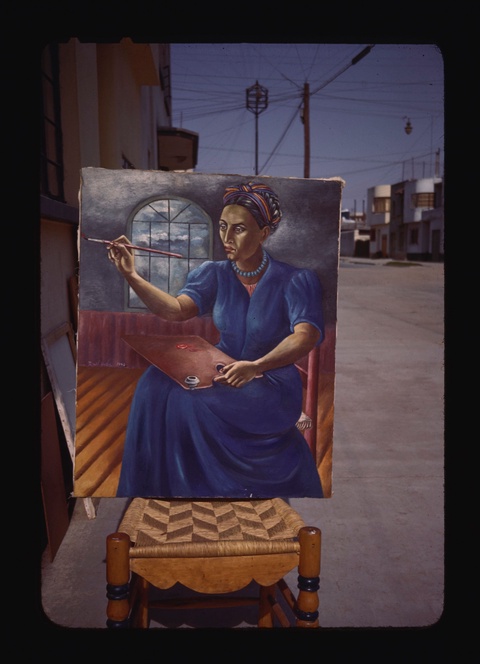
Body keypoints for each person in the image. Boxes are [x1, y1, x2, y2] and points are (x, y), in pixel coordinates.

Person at [108, 181, 325, 498]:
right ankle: (161, 487)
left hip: (270, 380)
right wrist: (132, 276)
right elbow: (178, 311)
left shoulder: (295, 279)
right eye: (223, 226)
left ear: (263, 233)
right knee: (152, 384)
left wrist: (256, 366)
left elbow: (307, 335)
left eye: (239, 229)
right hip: (222, 368)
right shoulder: (214, 273)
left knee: (191, 399)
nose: (226, 237)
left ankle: (198, 487)